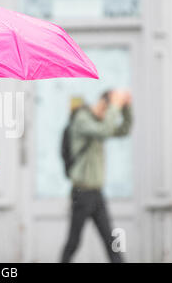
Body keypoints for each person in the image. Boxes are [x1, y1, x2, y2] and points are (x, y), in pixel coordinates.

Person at [61, 90, 133, 263]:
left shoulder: (99, 122)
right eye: (109, 109)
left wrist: (126, 107)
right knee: (74, 241)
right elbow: (105, 131)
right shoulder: (82, 119)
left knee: (110, 240)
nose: (110, 115)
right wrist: (115, 105)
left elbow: (124, 130)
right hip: (82, 192)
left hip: (96, 193)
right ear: (102, 104)